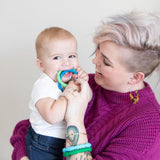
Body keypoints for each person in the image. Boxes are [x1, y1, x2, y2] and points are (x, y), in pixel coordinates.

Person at [10, 11, 160, 160]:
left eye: (106, 62)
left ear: (135, 77)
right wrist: (23, 156)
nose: (94, 61)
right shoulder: (88, 83)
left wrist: (75, 119)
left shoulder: (148, 128)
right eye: (98, 50)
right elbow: (29, 127)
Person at [20, 27, 89, 160]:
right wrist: (70, 91)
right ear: (41, 65)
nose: (66, 62)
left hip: (63, 141)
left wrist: (83, 84)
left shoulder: (70, 80)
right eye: (57, 57)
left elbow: (86, 98)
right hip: (43, 144)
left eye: (72, 56)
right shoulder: (43, 86)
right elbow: (52, 117)